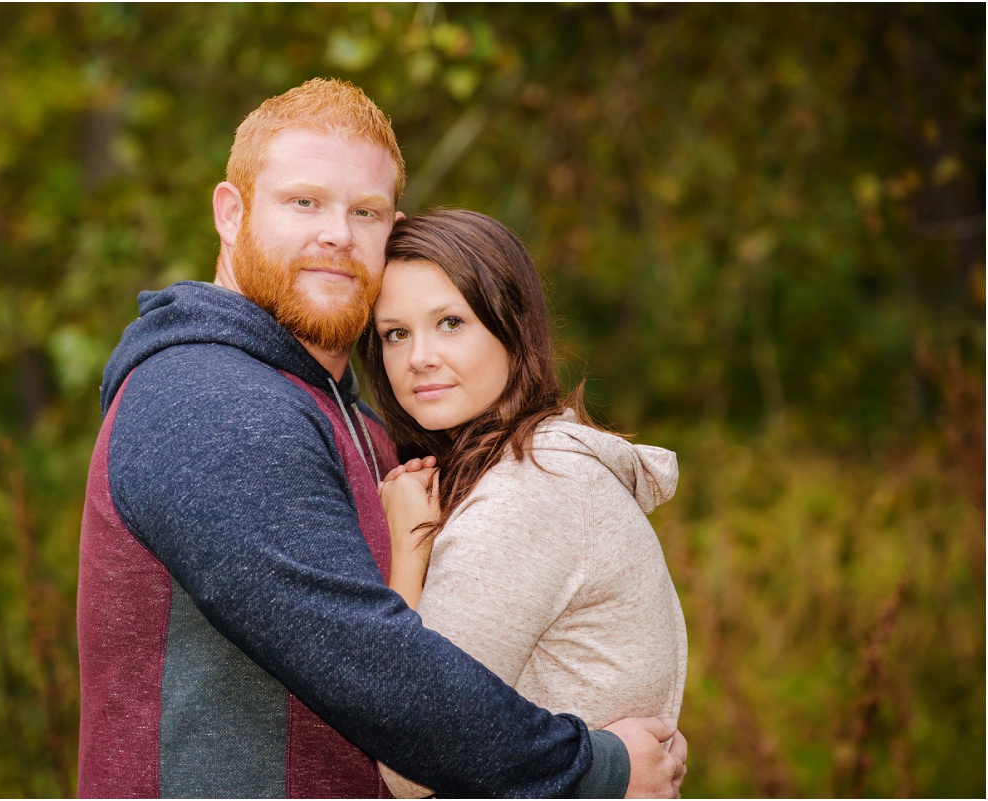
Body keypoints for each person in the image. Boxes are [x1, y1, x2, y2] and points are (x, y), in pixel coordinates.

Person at [77, 77, 687, 798]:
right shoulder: (204, 398)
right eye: (304, 201)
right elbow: (369, 658)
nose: (336, 232)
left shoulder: (357, 423)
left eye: (364, 211)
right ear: (230, 213)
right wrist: (593, 769)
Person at [359, 208, 689, 798]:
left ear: (512, 326)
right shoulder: (542, 470)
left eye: (451, 322)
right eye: (396, 333)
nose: (419, 358)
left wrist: (406, 556)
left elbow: (410, 765)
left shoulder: (528, 493)